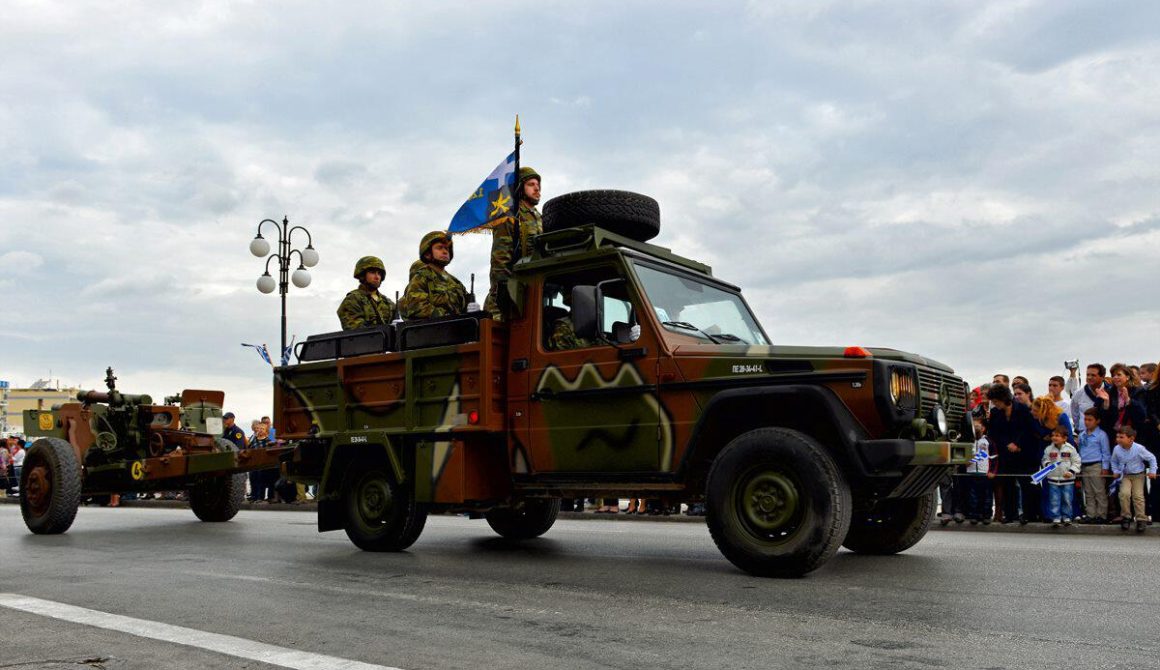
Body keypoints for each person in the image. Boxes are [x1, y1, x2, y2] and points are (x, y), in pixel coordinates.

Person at [484, 166, 542, 321]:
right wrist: (503, 299)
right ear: (520, 188)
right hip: (511, 297)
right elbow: (500, 262)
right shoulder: (510, 216)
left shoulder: (539, 218)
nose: (537, 189)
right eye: (531, 184)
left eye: (538, 185)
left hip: (534, 290)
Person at [988, 384, 1038, 524]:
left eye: (996, 401)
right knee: (1008, 484)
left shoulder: (1023, 410)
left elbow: (1029, 431)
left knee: (1027, 484)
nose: (995, 404)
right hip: (1006, 454)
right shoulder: (995, 413)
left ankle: (1029, 514)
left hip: (1025, 453)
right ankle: (1010, 514)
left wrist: (1018, 444)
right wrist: (1007, 443)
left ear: (1004, 398)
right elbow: (994, 433)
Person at [399, 231, 469, 319]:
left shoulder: (456, 282)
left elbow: (467, 307)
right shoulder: (421, 278)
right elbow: (418, 308)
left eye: (447, 248)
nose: (445, 251)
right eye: (440, 248)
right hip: (433, 330)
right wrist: (448, 318)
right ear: (428, 254)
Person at [1110, 426, 1157, 532]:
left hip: (1138, 475)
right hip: (1125, 475)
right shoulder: (1116, 449)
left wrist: (1153, 471)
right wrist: (1116, 471)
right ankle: (1126, 517)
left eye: (1121, 437)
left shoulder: (1139, 448)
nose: (1118, 439)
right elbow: (1113, 461)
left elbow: (1152, 458)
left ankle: (1141, 519)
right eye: (1117, 437)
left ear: (1131, 439)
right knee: (1124, 494)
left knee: (1138, 496)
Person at [337, 256, 396, 330]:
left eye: (379, 273)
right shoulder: (353, 299)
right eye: (372, 272)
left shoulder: (389, 303)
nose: (377, 277)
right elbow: (356, 330)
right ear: (362, 275)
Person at [1076, 408, 1112, 524]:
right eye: (1085, 419)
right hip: (1084, 465)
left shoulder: (1101, 435)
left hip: (1096, 465)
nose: (1087, 422)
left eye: (1090, 420)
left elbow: (1106, 453)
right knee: (1088, 492)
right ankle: (1091, 514)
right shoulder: (1082, 435)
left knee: (1099, 491)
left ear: (1097, 421)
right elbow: (1080, 450)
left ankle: (1102, 515)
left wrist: (1105, 467)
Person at [1041, 426, 1081, 527]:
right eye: (1053, 435)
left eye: (1057, 436)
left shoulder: (1070, 449)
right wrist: (1047, 465)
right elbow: (1044, 460)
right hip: (1053, 480)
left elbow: (1077, 462)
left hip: (1067, 480)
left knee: (1067, 499)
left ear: (1064, 438)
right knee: (1054, 499)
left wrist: (1071, 471)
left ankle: (1067, 517)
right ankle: (1056, 517)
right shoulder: (1048, 449)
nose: (1054, 437)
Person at [1070, 363, 1112, 437]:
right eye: (1087, 375)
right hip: (1085, 434)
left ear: (1102, 376)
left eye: (1093, 375)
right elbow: (1075, 414)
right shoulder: (1078, 393)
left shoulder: (1111, 392)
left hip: (1106, 433)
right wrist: (1079, 429)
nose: (1089, 377)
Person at [965, 419, 993, 524]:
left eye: (978, 426)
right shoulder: (968, 441)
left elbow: (994, 457)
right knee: (973, 495)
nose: (976, 428)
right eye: (974, 426)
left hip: (984, 473)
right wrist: (965, 462)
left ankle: (986, 515)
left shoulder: (988, 441)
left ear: (983, 428)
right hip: (971, 472)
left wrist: (992, 471)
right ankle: (974, 515)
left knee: (986, 495)